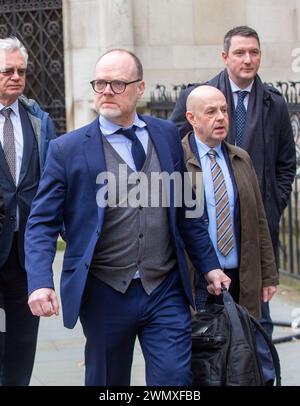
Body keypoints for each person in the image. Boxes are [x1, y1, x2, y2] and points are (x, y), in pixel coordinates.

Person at [25, 49, 230, 386]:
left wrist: (209, 265)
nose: (106, 90)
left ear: (140, 87)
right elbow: (42, 222)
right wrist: (40, 282)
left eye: (118, 84)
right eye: (101, 83)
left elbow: (187, 210)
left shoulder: (166, 135)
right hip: (104, 290)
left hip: (164, 288)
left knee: (175, 381)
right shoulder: (67, 149)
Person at [170, 26, 296, 383]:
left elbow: (287, 164)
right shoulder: (195, 98)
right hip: (202, 248)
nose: (248, 59)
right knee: (207, 341)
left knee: (255, 336)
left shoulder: (273, 101)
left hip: (252, 242)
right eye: (240, 52)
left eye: (254, 52)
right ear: (225, 57)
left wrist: (270, 207)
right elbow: (172, 153)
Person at [183, 85, 278, 320]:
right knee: (203, 352)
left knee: (242, 350)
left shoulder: (240, 158)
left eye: (224, 111)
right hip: (198, 278)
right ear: (191, 118)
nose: (220, 118)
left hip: (240, 276)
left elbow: (258, 220)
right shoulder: (178, 159)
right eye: (211, 112)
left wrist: (268, 275)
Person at [0, 36, 56, 386]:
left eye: (21, 71)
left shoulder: (38, 120)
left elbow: (49, 185)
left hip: (25, 257)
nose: (16, 77)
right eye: (8, 71)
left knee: (21, 347)